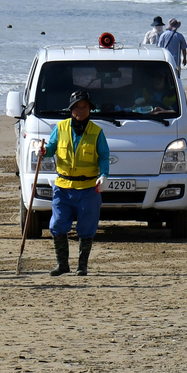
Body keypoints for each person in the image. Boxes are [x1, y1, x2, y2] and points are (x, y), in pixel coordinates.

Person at [41, 90, 109, 277]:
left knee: (87, 228)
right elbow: (51, 148)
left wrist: (104, 175)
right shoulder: (60, 127)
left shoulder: (97, 132)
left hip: (88, 188)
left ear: (89, 109)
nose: (80, 110)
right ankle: (62, 265)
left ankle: (82, 266)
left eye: (84, 106)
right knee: (57, 224)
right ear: (71, 109)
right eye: (77, 106)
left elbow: (104, 155)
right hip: (63, 187)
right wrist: (43, 151)